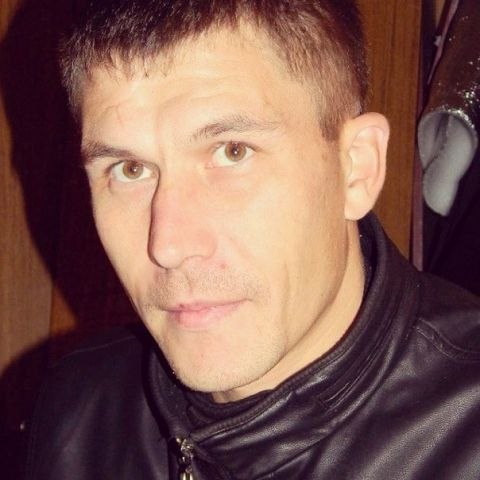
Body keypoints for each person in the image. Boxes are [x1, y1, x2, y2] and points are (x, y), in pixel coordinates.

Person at [25, 1, 480, 479]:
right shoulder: (79, 416)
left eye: (233, 152)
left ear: (356, 169)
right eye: (130, 169)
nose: (169, 245)